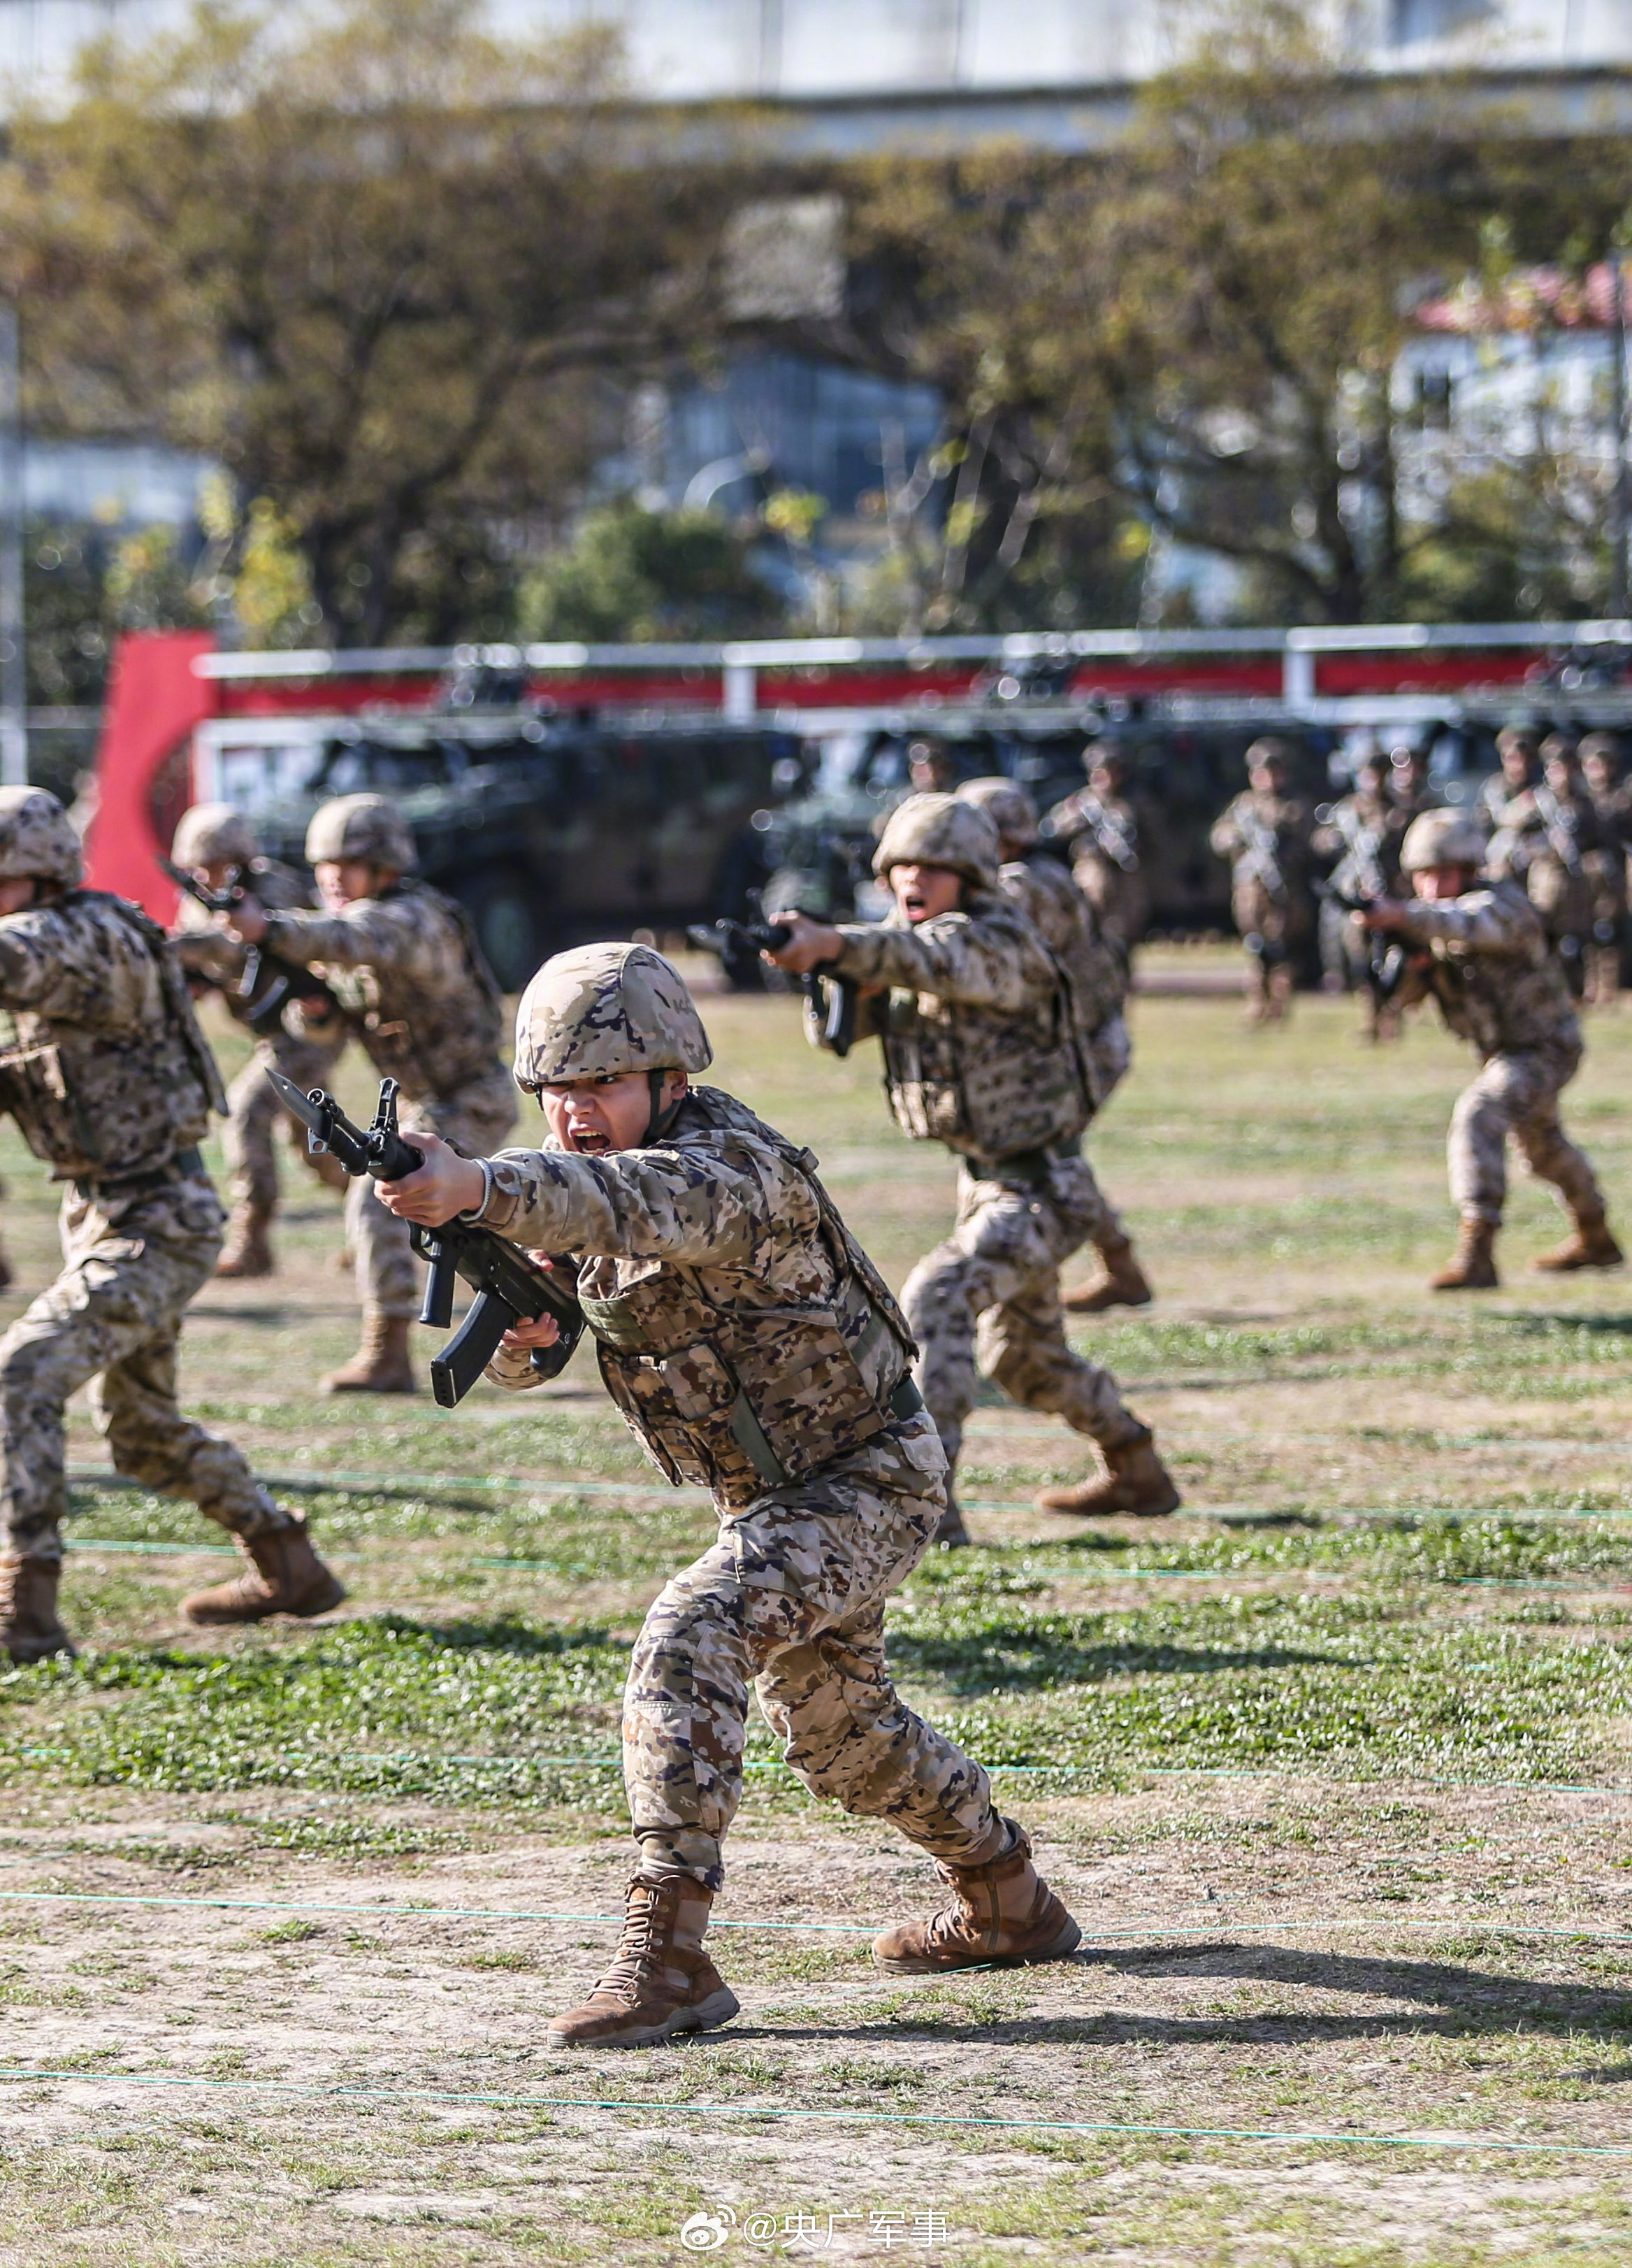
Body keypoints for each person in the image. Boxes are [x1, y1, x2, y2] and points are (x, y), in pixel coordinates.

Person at [376, 942, 1083, 2048]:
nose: (577, 1115)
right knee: (846, 1744)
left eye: (601, 1086)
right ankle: (1007, 1898)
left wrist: (476, 1186)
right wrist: (523, 1331)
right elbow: (540, 1335)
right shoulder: (587, 1189)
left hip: (870, 1478)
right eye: (555, 1094)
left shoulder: (728, 1168)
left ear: (670, 1079)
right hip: (766, 1499)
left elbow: (631, 1203)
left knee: (690, 1630)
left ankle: (670, 1958)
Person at [767, 793, 1180, 1541]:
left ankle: (929, 1505)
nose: (912, 882)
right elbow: (844, 1029)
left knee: (937, 1295)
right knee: (1024, 1360)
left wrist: (840, 946)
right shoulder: (896, 943)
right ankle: (1135, 1465)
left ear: (970, 874)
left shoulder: (999, 940)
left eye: (932, 868)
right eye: (900, 868)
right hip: (985, 1181)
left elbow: (936, 959)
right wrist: (823, 971)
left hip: (1044, 1187)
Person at [0, 788, 344, 1664]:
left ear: (26, 873)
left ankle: (25, 1612)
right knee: (144, 1435)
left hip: (159, 1218)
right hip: (106, 1214)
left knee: (24, 1375)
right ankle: (287, 1561)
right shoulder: (54, 946)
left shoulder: (87, 934)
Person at [222, 793, 514, 1393]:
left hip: (469, 1096)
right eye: (322, 865)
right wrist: (316, 1007)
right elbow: (324, 1025)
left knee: (379, 1197)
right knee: (460, 1225)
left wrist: (268, 929)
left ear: (383, 867)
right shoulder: (352, 933)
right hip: (423, 1102)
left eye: (345, 864)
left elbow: (351, 939)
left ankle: (388, 1353)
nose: (329, 876)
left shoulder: (411, 919)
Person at [1360, 809, 1621, 1291]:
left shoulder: (1501, 907)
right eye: (1424, 876)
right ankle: (1596, 1237)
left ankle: (1477, 1250)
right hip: (1502, 1052)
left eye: (1444, 873)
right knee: (1542, 1151)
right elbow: (1405, 1001)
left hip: (1546, 1046)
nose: (1434, 886)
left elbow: (1471, 922)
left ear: (1468, 869)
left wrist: (1404, 915)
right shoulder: (1430, 928)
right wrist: (1406, 963)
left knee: (1479, 1111)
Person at [957, 777, 1153, 1314]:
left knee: (1050, 1158)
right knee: (1052, 1158)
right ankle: (1114, 1269)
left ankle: (1102, 1272)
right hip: (1081, 1041)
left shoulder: (1022, 885)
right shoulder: (1031, 876)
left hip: (1083, 1049)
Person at [168, 801, 346, 1277]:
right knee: (317, 1145)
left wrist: (170, 948)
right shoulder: (199, 902)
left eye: (218, 865)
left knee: (246, 1112)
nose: (208, 876)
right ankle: (376, 1214)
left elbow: (234, 943)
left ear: (242, 859)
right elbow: (208, 960)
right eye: (199, 868)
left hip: (308, 1029)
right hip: (270, 1035)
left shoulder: (273, 890)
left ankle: (253, 1242)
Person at [1208, 738, 1317, 1024]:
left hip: (1285, 892)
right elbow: (1219, 836)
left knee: (1281, 948)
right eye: (1261, 772)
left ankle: (1280, 1005)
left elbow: (1309, 844)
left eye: (1274, 772)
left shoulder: (1294, 806)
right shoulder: (1243, 806)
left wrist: (1284, 847)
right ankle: (1257, 1002)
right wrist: (1236, 840)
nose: (1268, 779)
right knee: (1255, 947)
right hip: (1250, 889)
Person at [1493, 735, 1602, 1000]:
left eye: (1566, 767)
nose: (1561, 774)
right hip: (1543, 881)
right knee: (1544, 937)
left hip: (1575, 883)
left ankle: (1579, 992)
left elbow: (1599, 840)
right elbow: (1507, 827)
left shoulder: (1583, 802)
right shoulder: (1536, 799)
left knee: (1576, 941)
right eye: (1555, 768)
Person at [1313, 749, 1413, 1031]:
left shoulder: (1400, 810)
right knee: (1361, 960)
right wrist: (1332, 840)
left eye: (1379, 774)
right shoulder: (1347, 811)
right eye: (1368, 774)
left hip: (1391, 895)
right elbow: (1320, 839)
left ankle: (1393, 1017)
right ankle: (1371, 1017)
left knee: (1393, 957)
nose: (1373, 781)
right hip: (1357, 896)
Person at [1041, 742, 1154, 951]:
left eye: (1113, 772)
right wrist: (1078, 822)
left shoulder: (1133, 802)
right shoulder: (1080, 803)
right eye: (1101, 772)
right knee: (1089, 922)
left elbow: (1152, 836)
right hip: (1092, 868)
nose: (1108, 779)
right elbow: (1052, 828)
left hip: (1126, 875)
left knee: (1127, 930)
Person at [1580, 733, 1632, 1004]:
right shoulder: (1578, 800)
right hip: (1582, 877)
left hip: (1614, 875)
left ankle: (1612, 987)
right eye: (1593, 764)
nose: (1598, 771)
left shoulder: (1623, 798)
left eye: (1604, 764)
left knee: (1611, 930)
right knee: (1587, 932)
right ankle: (1591, 986)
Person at [1475, 724, 1541, 838]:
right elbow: (1495, 820)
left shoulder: (1539, 786)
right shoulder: (1493, 786)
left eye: (1525, 758)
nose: (1520, 765)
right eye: (1513, 759)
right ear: (1504, 758)